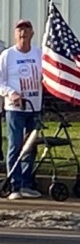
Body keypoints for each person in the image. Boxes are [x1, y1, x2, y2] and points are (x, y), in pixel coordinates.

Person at [0, 19, 43, 200]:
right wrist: (11, 94)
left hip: (34, 106)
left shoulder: (39, 53)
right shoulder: (7, 56)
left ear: (32, 33)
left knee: (30, 146)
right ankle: (15, 185)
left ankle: (27, 183)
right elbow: (1, 82)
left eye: (26, 29)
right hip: (15, 108)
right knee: (15, 145)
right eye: (20, 30)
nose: (23, 33)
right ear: (15, 34)